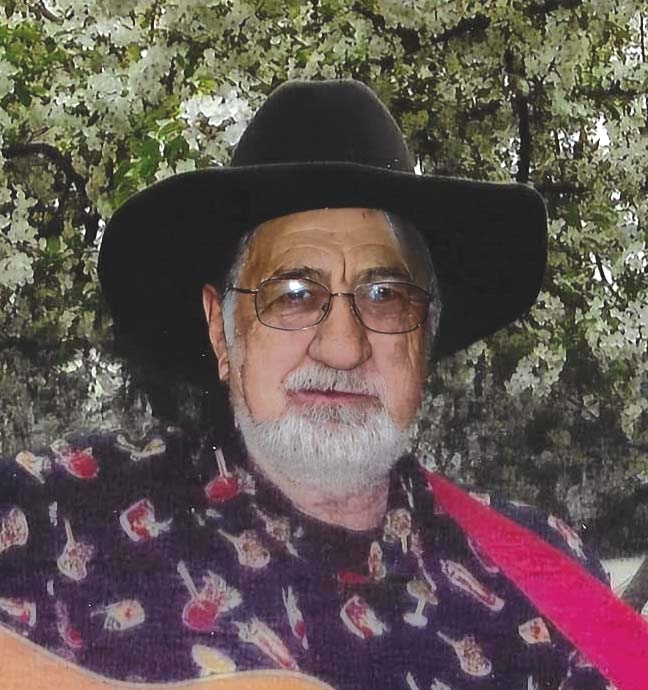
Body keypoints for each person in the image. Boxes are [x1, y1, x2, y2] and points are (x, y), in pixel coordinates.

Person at [0, 80, 614, 689]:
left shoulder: (548, 580)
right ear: (221, 331)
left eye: (385, 295)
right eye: (293, 294)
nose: (343, 348)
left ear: (424, 338)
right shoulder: (61, 513)